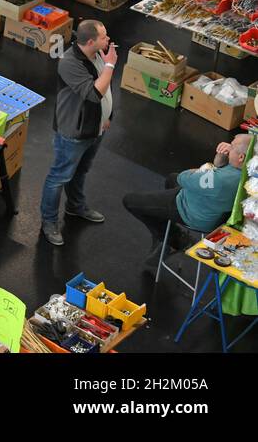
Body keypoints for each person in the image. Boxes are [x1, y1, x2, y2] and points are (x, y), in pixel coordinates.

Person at [122, 134, 251, 273]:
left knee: (130, 201)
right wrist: (221, 158)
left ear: (241, 157)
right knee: (170, 178)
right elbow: (216, 168)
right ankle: (163, 235)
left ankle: (176, 240)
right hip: (211, 209)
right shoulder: (246, 172)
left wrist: (199, 171)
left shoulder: (222, 180)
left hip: (191, 212)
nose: (228, 146)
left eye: (232, 146)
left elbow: (183, 178)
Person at [41, 19, 116, 246]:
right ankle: (49, 221)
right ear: (91, 41)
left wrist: (107, 117)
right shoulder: (69, 62)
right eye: (104, 37)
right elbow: (93, 94)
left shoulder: (96, 56)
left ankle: (75, 207)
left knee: (81, 171)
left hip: (95, 128)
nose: (108, 39)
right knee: (59, 176)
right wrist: (111, 65)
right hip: (74, 131)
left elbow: (107, 90)